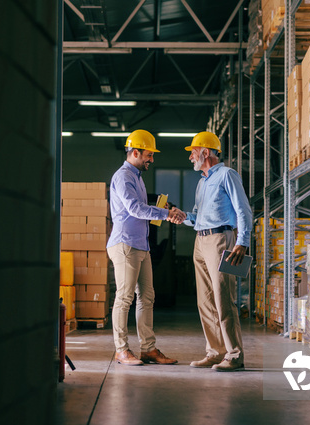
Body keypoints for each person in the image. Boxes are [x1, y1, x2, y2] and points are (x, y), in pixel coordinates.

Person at [107, 129, 186, 366]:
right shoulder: (123, 177)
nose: (152, 160)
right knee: (124, 298)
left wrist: (163, 209)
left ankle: (148, 349)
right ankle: (121, 350)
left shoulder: (138, 178)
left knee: (147, 297)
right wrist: (166, 213)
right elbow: (134, 209)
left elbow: (141, 210)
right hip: (125, 244)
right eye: (148, 155)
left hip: (141, 245)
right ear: (135, 152)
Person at [180, 131, 253, 372]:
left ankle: (234, 354)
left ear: (205, 152)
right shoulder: (202, 182)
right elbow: (199, 217)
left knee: (223, 298)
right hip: (200, 241)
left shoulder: (227, 175)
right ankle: (214, 351)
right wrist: (183, 217)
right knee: (206, 301)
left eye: (193, 152)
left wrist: (242, 241)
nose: (191, 157)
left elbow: (243, 210)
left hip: (222, 239)